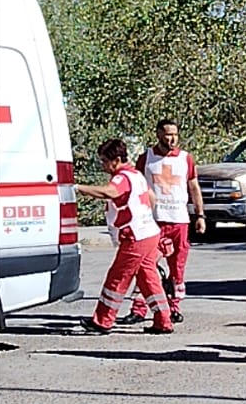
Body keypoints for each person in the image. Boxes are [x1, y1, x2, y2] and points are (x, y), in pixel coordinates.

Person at [76, 139, 173, 334]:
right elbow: (152, 198)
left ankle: (103, 320)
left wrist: (79, 188)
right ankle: (163, 320)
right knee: (148, 278)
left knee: (118, 276)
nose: (103, 165)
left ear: (117, 160)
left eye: (105, 161)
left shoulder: (121, 178)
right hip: (148, 232)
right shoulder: (136, 175)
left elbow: (109, 192)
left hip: (136, 236)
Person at [121, 118, 206, 325]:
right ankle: (139, 309)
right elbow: (137, 187)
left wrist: (200, 215)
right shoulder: (146, 158)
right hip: (153, 221)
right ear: (159, 134)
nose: (172, 139)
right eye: (168, 134)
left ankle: (173, 307)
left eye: (175, 134)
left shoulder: (185, 158)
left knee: (177, 268)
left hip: (179, 221)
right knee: (145, 265)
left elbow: (194, 187)